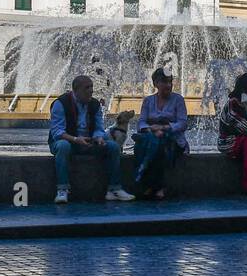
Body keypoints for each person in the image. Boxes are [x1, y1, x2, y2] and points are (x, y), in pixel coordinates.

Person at [47, 75, 134, 205]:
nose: (91, 91)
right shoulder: (60, 103)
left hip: (88, 142)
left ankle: (114, 190)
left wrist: (99, 137)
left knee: (113, 147)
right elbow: (57, 132)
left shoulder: (94, 104)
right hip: (67, 141)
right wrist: (76, 139)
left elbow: (99, 127)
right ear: (75, 90)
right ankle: (62, 189)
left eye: (92, 87)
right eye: (87, 88)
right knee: (63, 146)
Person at [132, 67, 190, 199]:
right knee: (142, 145)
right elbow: (141, 122)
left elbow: (182, 123)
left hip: (173, 140)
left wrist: (164, 128)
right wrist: (151, 129)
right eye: (164, 82)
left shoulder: (178, 100)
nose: (168, 85)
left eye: (170, 82)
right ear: (156, 84)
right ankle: (153, 186)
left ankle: (152, 186)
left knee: (159, 145)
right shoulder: (148, 101)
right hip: (152, 136)